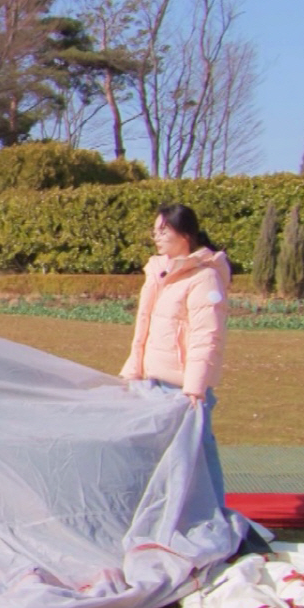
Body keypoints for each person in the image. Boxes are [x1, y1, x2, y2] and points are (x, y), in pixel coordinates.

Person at [120, 203, 231, 504]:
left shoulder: (204, 278)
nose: (156, 237)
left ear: (185, 234)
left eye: (163, 230)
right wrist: (134, 369)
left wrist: (195, 388)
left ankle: (211, 517)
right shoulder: (158, 272)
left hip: (181, 387)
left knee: (196, 458)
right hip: (150, 380)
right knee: (155, 458)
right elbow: (144, 327)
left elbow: (206, 335)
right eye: (155, 231)